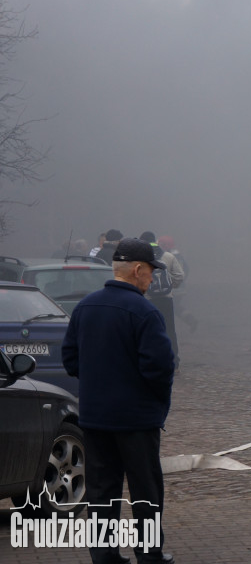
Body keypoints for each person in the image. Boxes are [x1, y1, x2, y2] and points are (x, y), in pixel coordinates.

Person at [62, 238, 176, 564]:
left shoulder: (85, 308)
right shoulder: (146, 313)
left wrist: (98, 384)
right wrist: (153, 403)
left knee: (101, 492)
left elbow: (70, 359)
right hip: (137, 421)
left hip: (96, 419)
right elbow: (160, 367)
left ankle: (104, 555)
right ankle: (149, 555)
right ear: (138, 270)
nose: (152, 279)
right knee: (146, 493)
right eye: (151, 272)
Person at [140, 231, 185, 367]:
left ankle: (152, 361)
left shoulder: (139, 259)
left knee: (147, 331)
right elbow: (179, 276)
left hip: (147, 300)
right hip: (166, 299)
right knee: (169, 330)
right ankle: (174, 362)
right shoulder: (168, 256)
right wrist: (170, 287)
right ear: (155, 241)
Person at [158, 235, 197, 332]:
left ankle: (165, 328)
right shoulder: (179, 256)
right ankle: (191, 320)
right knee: (176, 307)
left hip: (171, 288)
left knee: (165, 308)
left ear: (165, 246)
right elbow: (186, 269)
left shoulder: (166, 257)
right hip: (180, 288)